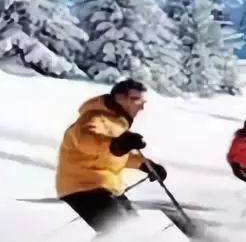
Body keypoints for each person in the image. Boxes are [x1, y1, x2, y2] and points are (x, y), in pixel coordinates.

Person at [55, 79, 168, 235]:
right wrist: (116, 144)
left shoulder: (115, 123)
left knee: (133, 229)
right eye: (135, 99)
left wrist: (146, 165)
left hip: (104, 186)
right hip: (83, 186)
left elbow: (115, 154)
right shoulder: (93, 117)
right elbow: (86, 141)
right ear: (119, 98)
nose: (141, 106)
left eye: (143, 101)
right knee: (121, 231)